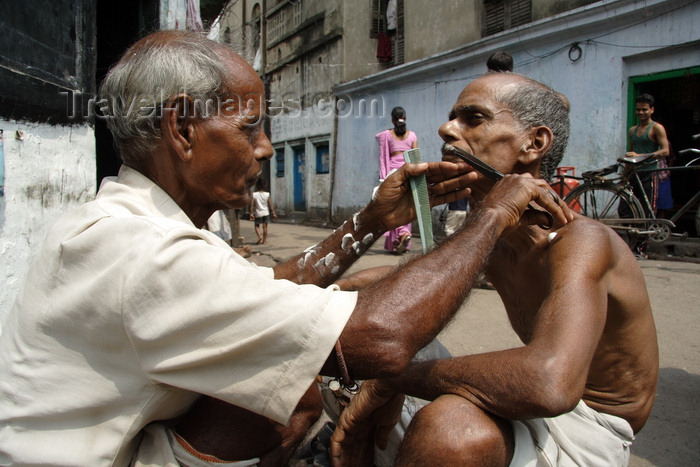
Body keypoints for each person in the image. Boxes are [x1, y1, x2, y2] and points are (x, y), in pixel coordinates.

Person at [0, 31, 572, 466]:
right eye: (249, 127)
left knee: (282, 378)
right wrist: (493, 215)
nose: (267, 148)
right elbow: (381, 340)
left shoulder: (133, 221)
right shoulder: (144, 252)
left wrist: (371, 220)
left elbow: (269, 294)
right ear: (182, 129)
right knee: (295, 379)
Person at [331, 72, 658, 466]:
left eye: (473, 118)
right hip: (539, 403)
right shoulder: (491, 228)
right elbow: (410, 286)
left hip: (587, 429)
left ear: (534, 143)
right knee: (330, 325)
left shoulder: (582, 242)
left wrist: (394, 381)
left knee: (451, 430)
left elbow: (548, 382)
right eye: (453, 117)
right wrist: (358, 248)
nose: (445, 128)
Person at [622, 93, 671, 256]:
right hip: (634, 173)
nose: (641, 113)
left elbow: (665, 150)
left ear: (652, 110)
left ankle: (641, 248)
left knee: (647, 210)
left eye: (644, 109)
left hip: (649, 173)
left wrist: (641, 156)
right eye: (638, 110)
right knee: (626, 209)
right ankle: (631, 242)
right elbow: (632, 153)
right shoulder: (633, 130)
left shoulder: (656, 128)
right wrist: (625, 173)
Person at [376, 106, 418, 254]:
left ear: (392, 119)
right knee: (407, 205)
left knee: (393, 206)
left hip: (393, 173)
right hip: (409, 172)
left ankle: (401, 234)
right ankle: (402, 238)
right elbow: (415, 157)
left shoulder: (387, 135)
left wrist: (383, 177)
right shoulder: (412, 135)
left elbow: (383, 157)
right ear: (405, 119)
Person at [249, 178, 276, 244]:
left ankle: (259, 236)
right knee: (265, 227)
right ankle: (264, 240)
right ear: (265, 186)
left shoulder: (254, 194)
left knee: (256, 226)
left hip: (258, 213)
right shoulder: (267, 194)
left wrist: (251, 213)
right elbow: (270, 204)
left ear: (257, 186)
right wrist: (273, 213)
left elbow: (252, 205)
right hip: (266, 212)